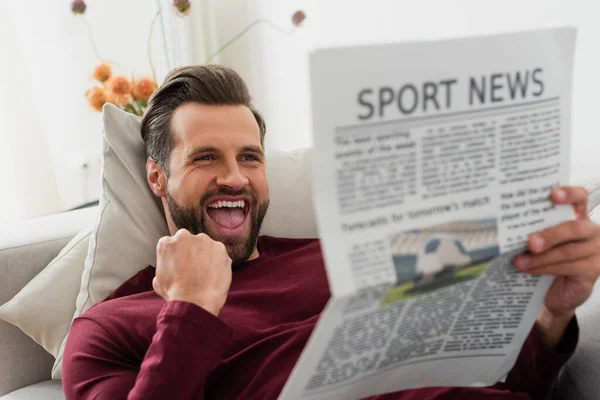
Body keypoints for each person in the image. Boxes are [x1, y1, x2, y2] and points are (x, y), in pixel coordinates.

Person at [62, 65, 600, 400]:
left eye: (250, 157)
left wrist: (551, 312)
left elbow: (508, 375)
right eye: (206, 157)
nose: (235, 177)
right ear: (157, 175)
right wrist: (193, 309)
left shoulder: (339, 256)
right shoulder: (107, 327)